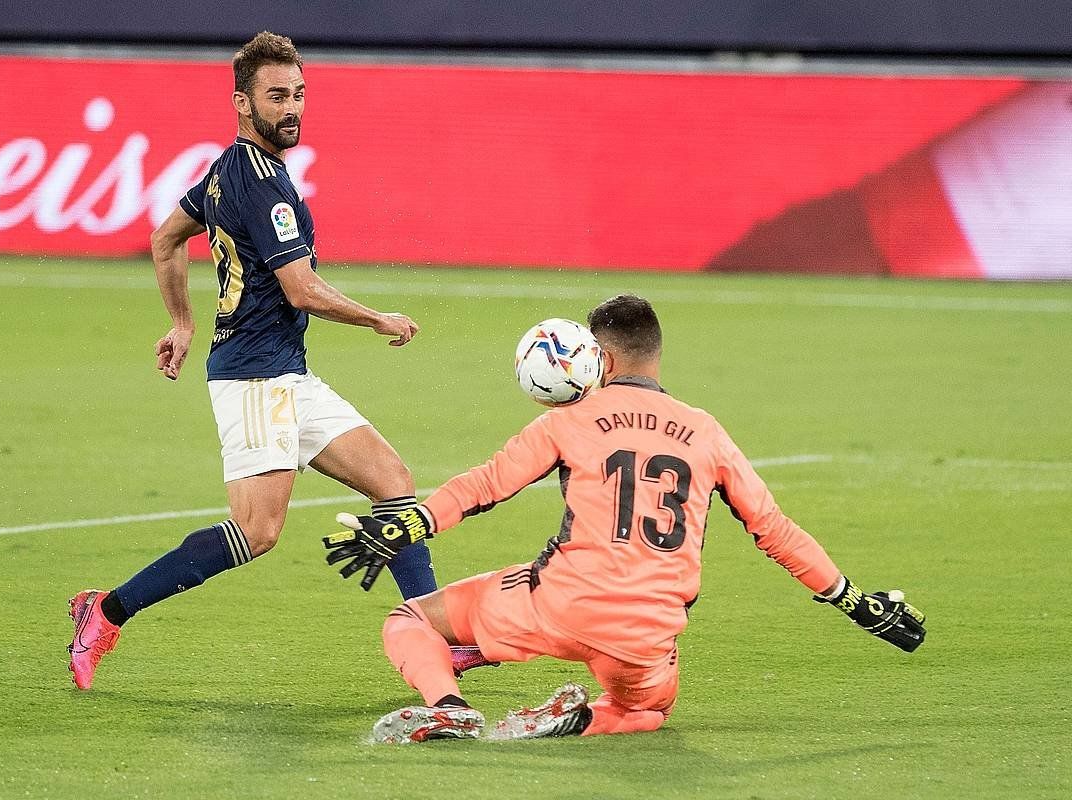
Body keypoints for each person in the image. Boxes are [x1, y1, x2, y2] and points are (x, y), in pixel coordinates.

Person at [68, 31, 491, 690]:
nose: (291, 108)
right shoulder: (260, 184)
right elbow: (301, 288)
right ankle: (107, 609)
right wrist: (378, 317)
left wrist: (183, 322)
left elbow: (165, 238)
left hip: (285, 370)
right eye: (276, 96)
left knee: (392, 481)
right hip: (253, 377)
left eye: (298, 94)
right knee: (257, 532)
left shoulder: (229, 168)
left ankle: (433, 634)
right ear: (242, 102)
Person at [323, 294, 927, 742]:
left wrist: (409, 523)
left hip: (555, 606)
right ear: (655, 355)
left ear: (600, 359)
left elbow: (486, 485)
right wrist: (855, 601)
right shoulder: (708, 432)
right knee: (650, 711)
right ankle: (585, 719)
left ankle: (449, 707)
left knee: (409, 622)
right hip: (645, 637)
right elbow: (776, 531)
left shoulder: (569, 419)